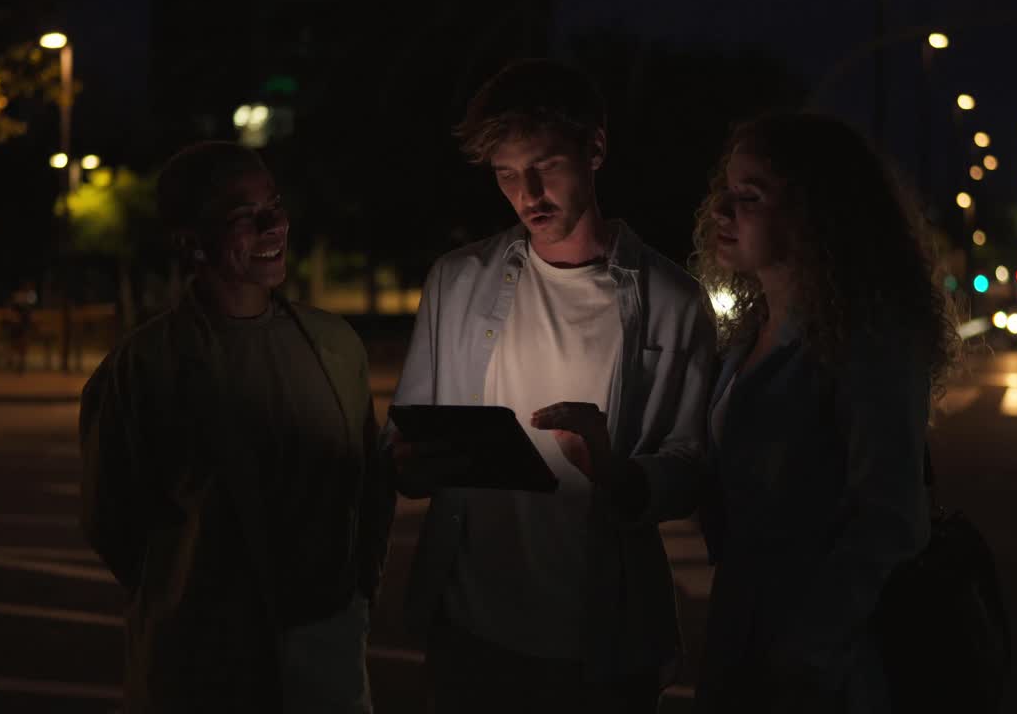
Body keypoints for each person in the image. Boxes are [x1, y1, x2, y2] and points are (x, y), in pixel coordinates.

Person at [385, 59, 717, 713]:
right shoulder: (457, 282)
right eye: (507, 175)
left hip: (601, 640)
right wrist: (410, 462)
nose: (527, 194)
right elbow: (402, 440)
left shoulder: (673, 302)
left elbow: (691, 467)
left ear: (595, 148)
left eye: (545, 166)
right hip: (472, 632)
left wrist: (616, 471)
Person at [79, 141, 394, 713]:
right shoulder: (145, 367)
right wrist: (193, 596)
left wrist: (357, 592)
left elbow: (366, 483)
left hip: (327, 655)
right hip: (203, 662)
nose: (273, 224)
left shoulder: (335, 346)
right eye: (243, 216)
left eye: (274, 203)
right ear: (189, 242)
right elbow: (114, 522)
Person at [691, 111, 960, 713]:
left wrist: (811, 645)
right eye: (724, 193)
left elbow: (891, 517)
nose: (722, 212)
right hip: (744, 630)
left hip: (826, 665)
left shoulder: (867, 341)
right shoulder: (747, 335)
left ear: (814, 212)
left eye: (749, 196)